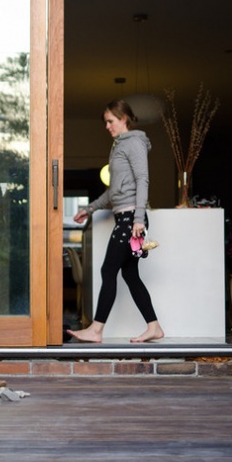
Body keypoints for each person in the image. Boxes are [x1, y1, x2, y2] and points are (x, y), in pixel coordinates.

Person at [67, 100, 164, 344]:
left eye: (110, 121)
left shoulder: (134, 143)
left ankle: (96, 329)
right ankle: (154, 327)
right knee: (130, 275)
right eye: (106, 122)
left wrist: (139, 219)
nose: (107, 126)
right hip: (125, 217)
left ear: (124, 119)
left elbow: (143, 180)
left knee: (108, 269)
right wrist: (89, 209)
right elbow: (113, 192)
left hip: (131, 220)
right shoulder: (118, 145)